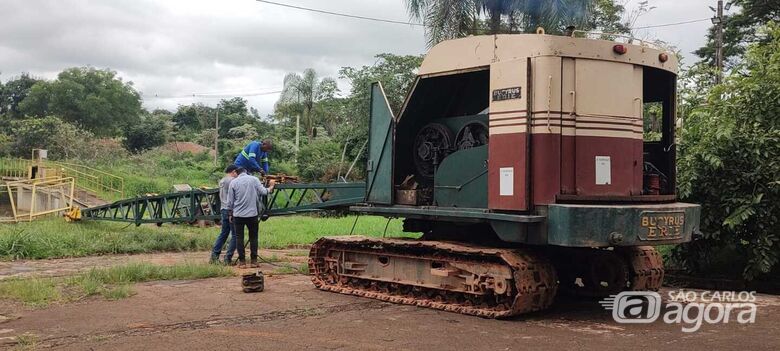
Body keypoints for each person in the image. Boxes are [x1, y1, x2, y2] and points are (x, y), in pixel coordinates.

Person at [226, 167, 275, 268]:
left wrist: (230, 214)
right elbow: (264, 192)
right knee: (253, 237)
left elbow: (230, 201)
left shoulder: (233, 182)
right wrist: (271, 186)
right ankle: (254, 261)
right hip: (252, 214)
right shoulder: (254, 179)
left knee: (239, 238)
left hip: (238, 215)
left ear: (237, 173)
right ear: (246, 172)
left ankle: (242, 262)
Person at [210, 165, 239, 265]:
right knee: (235, 235)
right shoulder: (232, 180)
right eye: (237, 173)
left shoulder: (222, 180)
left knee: (224, 233)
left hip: (223, 209)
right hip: (230, 210)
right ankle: (228, 258)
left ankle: (214, 256)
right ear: (233, 172)